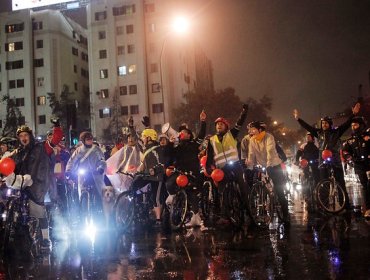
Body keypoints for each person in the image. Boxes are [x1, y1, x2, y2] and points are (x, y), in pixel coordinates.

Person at [3, 120, 63, 250]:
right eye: (21, 136)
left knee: (39, 211)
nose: (23, 138)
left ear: (30, 136)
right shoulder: (17, 152)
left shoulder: (41, 147)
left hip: (36, 185)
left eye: (25, 135)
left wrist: (57, 127)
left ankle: (46, 239)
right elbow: (6, 164)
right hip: (20, 184)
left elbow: (56, 139)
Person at [293, 103, 360, 210]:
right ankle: (323, 204)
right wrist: (298, 119)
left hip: (335, 160)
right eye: (322, 123)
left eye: (326, 123)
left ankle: (344, 204)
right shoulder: (318, 133)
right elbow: (308, 127)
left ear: (329, 124)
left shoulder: (336, 132)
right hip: (322, 161)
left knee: (340, 181)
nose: (324, 125)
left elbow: (347, 124)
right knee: (323, 183)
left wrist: (353, 114)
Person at [205, 104, 249, 226]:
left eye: (221, 124)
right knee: (222, 191)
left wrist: (244, 111)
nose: (219, 125)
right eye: (217, 124)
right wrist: (209, 170)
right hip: (222, 169)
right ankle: (225, 216)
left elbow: (240, 122)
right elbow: (209, 157)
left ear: (226, 126)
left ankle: (249, 211)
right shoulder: (212, 140)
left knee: (243, 187)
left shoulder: (231, 134)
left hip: (235, 165)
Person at [166, 110, 206, 228]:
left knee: (192, 192)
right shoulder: (177, 146)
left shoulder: (194, 144)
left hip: (192, 173)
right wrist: (170, 144)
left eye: (184, 132)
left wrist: (203, 121)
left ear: (189, 135)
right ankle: (173, 198)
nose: (181, 133)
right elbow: (169, 154)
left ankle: (195, 217)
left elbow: (202, 135)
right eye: (181, 132)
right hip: (180, 173)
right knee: (169, 183)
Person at [246, 121, 290, 225]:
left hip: (274, 164)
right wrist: (249, 167)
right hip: (264, 165)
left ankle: (286, 214)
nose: (251, 131)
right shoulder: (252, 140)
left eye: (253, 129)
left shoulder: (269, 137)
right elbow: (251, 154)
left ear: (259, 129)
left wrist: (269, 165)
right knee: (262, 184)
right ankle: (265, 206)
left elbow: (270, 151)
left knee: (279, 191)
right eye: (250, 129)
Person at [342, 116, 370, 218]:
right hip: (359, 165)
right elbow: (345, 151)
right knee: (365, 186)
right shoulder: (350, 140)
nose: (353, 127)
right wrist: (348, 156)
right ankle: (368, 209)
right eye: (352, 125)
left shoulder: (367, 136)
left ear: (361, 125)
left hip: (369, 163)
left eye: (356, 125)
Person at [65, 131, 106, 200]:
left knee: (101, 191)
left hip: (95, 173)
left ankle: (102, 206)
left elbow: (102, 159)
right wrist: (68, 170)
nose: (90, 140)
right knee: (81, 189)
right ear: (83, 140)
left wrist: (101, 168)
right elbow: (72, 160)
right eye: (88, 139)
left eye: (91, 139)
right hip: (83, 173)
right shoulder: (79, 150)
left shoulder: (96, 149)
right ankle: (82, 203)